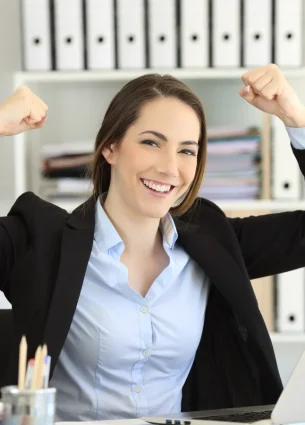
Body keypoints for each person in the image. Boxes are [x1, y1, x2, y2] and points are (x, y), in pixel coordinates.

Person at [1, 64, 305, 421]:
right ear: (109, 147)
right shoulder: (38, 238)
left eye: (187, 151)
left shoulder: (212, 239)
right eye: (151, 142)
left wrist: (296, 119)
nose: (169, 168)